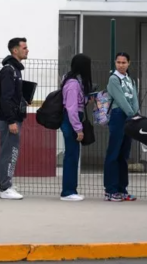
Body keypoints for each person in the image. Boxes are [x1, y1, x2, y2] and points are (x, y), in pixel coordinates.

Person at [104, 52, 139, 202]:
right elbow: (121, 99)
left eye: (124, 62)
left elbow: (134, 97)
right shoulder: (113, 79)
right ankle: (110, 190)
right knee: (113, 153)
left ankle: (122, 189)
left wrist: (136, 113)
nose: (121, 65)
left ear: (129, 63)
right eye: (118, 62)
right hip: (118, 115)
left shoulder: (130, 79)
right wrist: (131, 112)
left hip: (130, 117)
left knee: (123, 155)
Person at [0, 38, 29, 200]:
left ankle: (5, 184)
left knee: (10, 152)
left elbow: (14, 97)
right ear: (14, 50)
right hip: (10, 119)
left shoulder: (16, 70)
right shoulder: (9, 70)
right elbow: (5, 98)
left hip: (14, 117)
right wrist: (11, 121)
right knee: (9, 153)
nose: (27, 50)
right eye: (24, 47)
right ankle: (4, 187)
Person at [60, 53, 92, 202]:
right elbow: (72, 108)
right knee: (71, 156)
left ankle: (70, 190)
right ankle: (68, 191)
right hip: (72, 121)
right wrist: (78, 129)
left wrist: (86, 99)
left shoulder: (73, 81)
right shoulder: (73, 84)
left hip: (72, 120)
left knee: (72, 155)